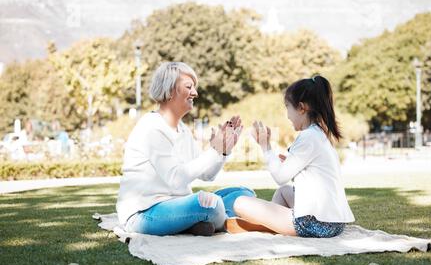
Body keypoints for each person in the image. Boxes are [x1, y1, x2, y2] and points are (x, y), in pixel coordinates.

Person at [116, 62, 256, 236]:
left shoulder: (182, 129)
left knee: (244, 194)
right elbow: (176, 178)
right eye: (189, 87)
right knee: (212, 204)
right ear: (169, 90)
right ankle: (215, 220)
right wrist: (214, 150)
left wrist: (223, 150)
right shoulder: (151, 127)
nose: (195, 93)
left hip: (177, 205)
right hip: (145, 213)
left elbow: (207, 175)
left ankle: (199, 221)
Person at [225, 75, 355, 238]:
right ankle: (267, 225)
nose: (287, 115)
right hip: (332, 223)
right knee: (283, 192)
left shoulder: (308, 136)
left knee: (240, 202)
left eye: (288, 107)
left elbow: (280, 176)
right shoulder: (318, 134)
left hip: (315, 224)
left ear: (301, 108)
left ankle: (262, 226)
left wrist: (265, 147)